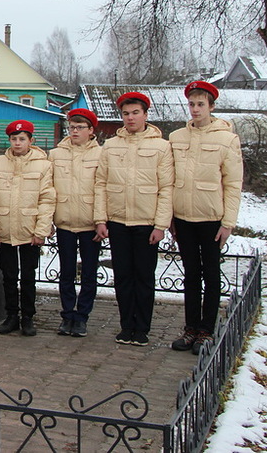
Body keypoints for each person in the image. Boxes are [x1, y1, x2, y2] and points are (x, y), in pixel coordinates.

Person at [95, 92, 174, 347]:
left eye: (135, 113)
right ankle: (126, 325)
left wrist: (160, 225)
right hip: (118, 221)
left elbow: (166, 187)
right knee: (123, 277)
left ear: (145, 115)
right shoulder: (111, 145)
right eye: (126, 114)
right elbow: (101, 183)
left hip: (146, 223)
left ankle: (142, 328)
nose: (130, 118)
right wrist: (101, 219)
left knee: (144, 276)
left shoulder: (161, 146)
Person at [169, 81, 243, 354]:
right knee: (190, 274)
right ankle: (190, 328)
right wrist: (171, 219)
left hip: (212, 217)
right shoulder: (177, 138)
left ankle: (206, 331)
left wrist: (228, 223)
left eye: (201, 104)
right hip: (183, 217)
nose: (196, 109)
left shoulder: (226, 139)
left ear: (212, 106)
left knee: (211, 275)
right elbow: (168, 179)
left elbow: (234, 183)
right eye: (192, 104)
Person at [0, 120, 55, 337]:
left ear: (30, 141)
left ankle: (28, 317)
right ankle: (11, 315)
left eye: (22, 139)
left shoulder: (43, 165)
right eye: (14, 139)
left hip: (29, 228)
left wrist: (41, 230)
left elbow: (46, 199)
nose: (17, 143)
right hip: (5, 228)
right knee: (8, 275)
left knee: (28, 276)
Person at [49, 109, 102, 338]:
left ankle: (82, 317)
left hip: (90, 222)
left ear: (91, 130)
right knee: (66, 272)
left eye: (80, 127)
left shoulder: (102, 154)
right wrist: (49, 219)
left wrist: (101, 220)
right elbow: (49, 189)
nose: (75, 131)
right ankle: (67, 314)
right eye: (72, 127)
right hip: (65, 221)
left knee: (89, 273)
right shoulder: (56, 154)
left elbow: (103, 189)